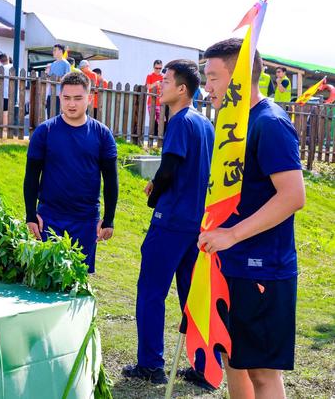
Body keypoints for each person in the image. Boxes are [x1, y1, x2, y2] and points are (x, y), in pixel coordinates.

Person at [200, 38, 305, 399]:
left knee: (262, 374)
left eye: (213, 77)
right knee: (234, 360)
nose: (207, 86)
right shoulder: (233, 122)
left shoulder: (270, 122)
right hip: (230, 266)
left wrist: (232, 234)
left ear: (240, 76)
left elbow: (293, 195)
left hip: (264, 269)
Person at [122, 60, 215, 387]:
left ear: (182, 89)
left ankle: (151, 364)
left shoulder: (179, 121)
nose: (159, 86)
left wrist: (155, 193)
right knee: (192, 295)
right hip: (197, 222)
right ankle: (206, 368)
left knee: (150, 292)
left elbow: (171, 166)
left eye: (165, 81)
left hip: (171, 220)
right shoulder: (206, 124)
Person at [24, 72, 119, 273]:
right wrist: (31, 215)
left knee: (77, 282)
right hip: (49, 219)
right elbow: (32, 177)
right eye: (66, 98)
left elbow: (111, 180)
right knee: (46, 279)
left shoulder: (102, 134)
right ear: (60, 98)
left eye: (78, 98)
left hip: (85, 220)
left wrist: (109, 218)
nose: (71, 104)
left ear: (89, 98)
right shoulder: (45, 131)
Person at [47, 44, 71, 116]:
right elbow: (49, 77)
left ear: (60, 51)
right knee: (49, 115)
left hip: (60, 94)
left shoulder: (66, 64)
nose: (53, 52)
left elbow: (67, 79)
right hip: (50, 93)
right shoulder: (53, 64)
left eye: (55, 50)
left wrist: (57, 78)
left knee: (57, 115)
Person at [146, 60, 164, 134]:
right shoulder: (149, 76)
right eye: (157, 68)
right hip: (151, 102)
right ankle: (151, 137)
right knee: (152, 121)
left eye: (160, 68)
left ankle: (159, 137)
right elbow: (148, 87)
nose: (158, 70)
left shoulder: (163, 77)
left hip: (161, 103)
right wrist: (156, 83)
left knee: (161, 120)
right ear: (153, 67)